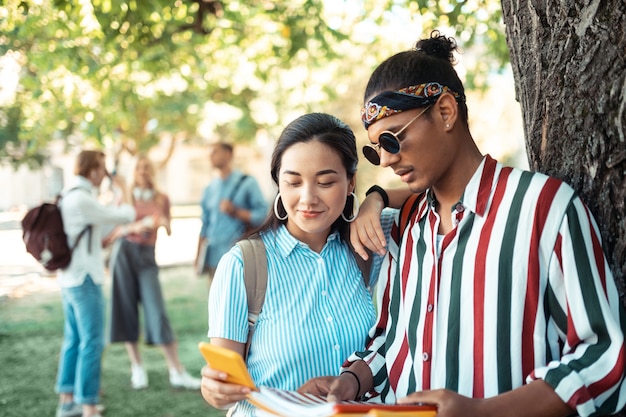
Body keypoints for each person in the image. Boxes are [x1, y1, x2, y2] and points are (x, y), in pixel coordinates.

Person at [300, 31, 626, 417]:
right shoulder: (407, 226)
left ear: (445, 112)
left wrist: (483, 411)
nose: (385, 162)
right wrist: (352, 380)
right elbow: (392, 340)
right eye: (376, 150)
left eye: (392, 140)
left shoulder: (543, 208)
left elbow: (601, 355)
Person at [200, 113, 393, 416]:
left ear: (350, 181)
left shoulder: (367, 240)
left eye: (326, 182)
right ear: (279, 182)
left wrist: (377, 197)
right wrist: (215, 389)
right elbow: (221, 387)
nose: (308, 198)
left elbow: (434, 192)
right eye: (293, 182)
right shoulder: (242, 265)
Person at [105, 154, 201, 391]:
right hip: (124, 254)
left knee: (157, 312)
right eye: (139, 168)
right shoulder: (124, 196)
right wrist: (136, 226)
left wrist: (161, 223)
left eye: (147, 168)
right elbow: (114, 231)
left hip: (147, 257)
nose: (143, 172)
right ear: (134, 171)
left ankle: (176, 371)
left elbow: (168, 228)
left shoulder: (162, 198)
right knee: (126, 310)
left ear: (152, 171)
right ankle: (137, 368)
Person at [55, 150, 136, 417]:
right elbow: (126, 215)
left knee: (74, 339)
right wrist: (123, 187)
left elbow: (101, 228)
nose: (104, 174)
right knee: (92, 342)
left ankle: (68, 400)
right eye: (101, 168)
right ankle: (88, 407)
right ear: (92, 171)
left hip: (70, 277)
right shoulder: (81, 198)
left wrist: (114, 197)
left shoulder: (72, 195)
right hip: (84, 278)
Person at [195, 143, 268, 278]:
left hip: (240, 256)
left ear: (228, 154)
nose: (210, 155)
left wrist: (235, 211)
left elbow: (263, 215)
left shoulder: (247, 183)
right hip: (213, 258)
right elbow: (204, 225)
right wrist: (198, 257)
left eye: (215, 151)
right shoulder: (209, 189)